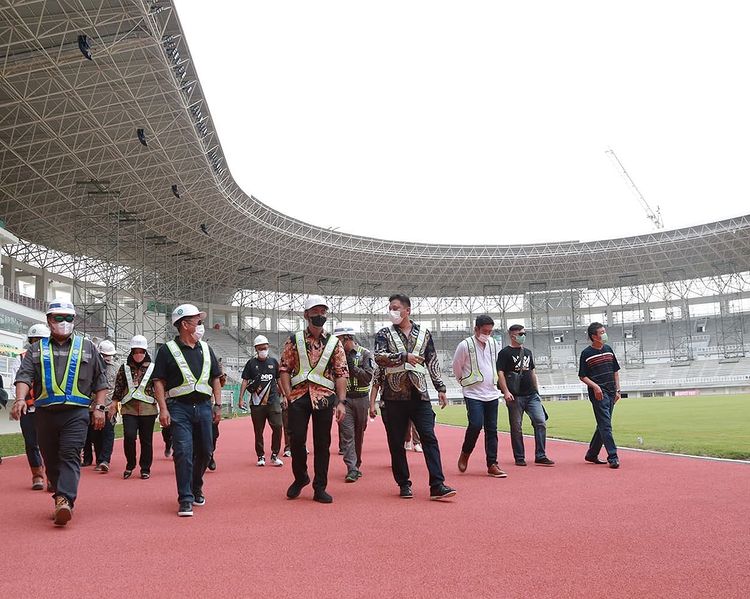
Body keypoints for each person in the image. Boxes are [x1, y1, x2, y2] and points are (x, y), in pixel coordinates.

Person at [11, 301, 109, 526]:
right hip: (44, 413)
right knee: (51, 458)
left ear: (74, 321)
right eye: (58, 318)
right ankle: (59, 492)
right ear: (49, 321)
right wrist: (19, 399)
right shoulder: (36, 350)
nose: (64, 323)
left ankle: (65, 499)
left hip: (76, 413)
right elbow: (24, 376)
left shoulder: (87, 347)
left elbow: (100, 381)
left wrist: (99, 408)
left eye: (68, 319)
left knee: (70, 454)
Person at [374, 293, 456, 501]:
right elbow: (379, 357)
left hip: (420, 395)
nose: (392, 311)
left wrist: (441, 387)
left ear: (407, 310)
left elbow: (433, 361)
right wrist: (403, 357)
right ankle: (404, 483)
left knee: (429, 437)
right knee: (396, 442)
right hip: (393, 397)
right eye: (390, 308)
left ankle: (437, 484)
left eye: (396, 307)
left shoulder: (424, 333)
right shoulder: (384, 334)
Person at [152, 304, 223, 517]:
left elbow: (215, 379)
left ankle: (195, 486)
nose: (201, 326)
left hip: (203, 407)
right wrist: (162, 409)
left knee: (205, 450)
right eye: (197, 321)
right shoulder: (167, 351)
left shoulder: (207, 349)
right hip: (178, 408)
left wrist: (217, 404)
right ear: (184, 324)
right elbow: (158, 382)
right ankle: (185, 498)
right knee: (183, 451)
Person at [278, 295, 348, 504]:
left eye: (323, 311)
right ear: (306, 314)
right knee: (296, 440)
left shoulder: (334, 342)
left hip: (325, 398)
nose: (320, 315)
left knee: (322, 443)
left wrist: (341, 402)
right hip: (299, 397)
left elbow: (341, 372)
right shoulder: (294, 340)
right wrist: (288, 394)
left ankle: (320, 487)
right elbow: (284, 368)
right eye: (315, 311)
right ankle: (301, 478)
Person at [453, 314, 506, 477]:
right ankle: (465, 453)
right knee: (475, 425)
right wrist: (464, 382)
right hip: (473, 393)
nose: (487, 334)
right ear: (476, 329)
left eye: (490, 331)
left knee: (492, 430)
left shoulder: (494, 344)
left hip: (491, 393)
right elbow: (457, 367)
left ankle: (492, 463)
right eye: (484, 331)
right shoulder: (464, 345)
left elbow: (497, 365)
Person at [497, 324, 555, 467]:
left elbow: (532, 372)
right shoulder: (504, 353)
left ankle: (540, 455)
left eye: (524, 333)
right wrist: (506, 392)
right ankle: (519, 456)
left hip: (531, 395)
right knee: (516, 427)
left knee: (540, 422)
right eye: (521, 334)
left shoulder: (528, 352)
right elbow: (500, 374)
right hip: (515, 396)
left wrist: (537, 391)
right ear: (512, 336)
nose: (523, 336)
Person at [110, 335, 157, 479]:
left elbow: (159, 387)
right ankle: (130, 464)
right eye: (135, 351)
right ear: (131, 352)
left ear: (145, 351)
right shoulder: (124, 368)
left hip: (148, 409)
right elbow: (118, 386)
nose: (138, 354)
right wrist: (113, 403)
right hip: (128, 408)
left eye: (141, 351)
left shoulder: (153, 368)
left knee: (146, 439)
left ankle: (145, 468)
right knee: (129, 437)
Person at [12, 323, 52, 491]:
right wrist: (19, 400)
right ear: (30, 340)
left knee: (49, 443)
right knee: (31, 443)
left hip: (48, 408)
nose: (38, 343)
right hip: (28, 408)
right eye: (35, 340)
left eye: (41, 340)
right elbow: (18, 380)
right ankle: (37, 475)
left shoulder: (52, 358)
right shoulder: (20, 358)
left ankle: (52, 476)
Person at [333, 326, 374, 483]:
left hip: (362, 399)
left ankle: (357, 463)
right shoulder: (336, 356)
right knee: (347, 434)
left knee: (359, 433)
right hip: (345, 400)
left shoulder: (364, 354)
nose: (337, 343)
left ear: (347, 338)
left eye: (339, 339)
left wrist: (352, 367)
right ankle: (352, 468)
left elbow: (368, 377)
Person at [579, 322, 621, 469]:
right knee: (606, 425)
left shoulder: (609, 349)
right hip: (599, 394)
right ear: (594, 337)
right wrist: (596, 387)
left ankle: (592, 453)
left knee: (603, 424)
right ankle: (613, 456)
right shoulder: (586, 353)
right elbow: (582, 376)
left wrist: (618, 390)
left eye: (604, 331)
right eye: (601, 332)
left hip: (611, 392)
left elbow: (615, 370)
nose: (604, 334)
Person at [239, 335, 284, 467]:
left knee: (278, 426)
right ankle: (261, 455)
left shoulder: (274, 362)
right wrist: (241, 398)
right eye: (260, 348)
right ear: (255, 349)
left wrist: (285, 396)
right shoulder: (251, 363)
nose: (263, 350)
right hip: (257, 403)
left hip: (273, 401)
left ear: (268, 347)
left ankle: (275, 455)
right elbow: (245, 380)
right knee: (258, 431)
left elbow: (278, 379)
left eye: (264, 347)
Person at [82, 339, 118, 472]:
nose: (107, 358)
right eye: (104, 355)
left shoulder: (117, 368)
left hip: (109, 407)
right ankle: (96, 459)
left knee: (108, 433)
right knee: (94, 434)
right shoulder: (90, 368)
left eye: (109, 355)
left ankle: (105, 460)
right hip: (92, 407)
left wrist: (115, 404)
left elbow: (119, 387)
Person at [207, 358, 228, 471]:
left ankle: (210, 455)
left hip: (209, 405)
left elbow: (221, 384)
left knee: (214, 434)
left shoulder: (212, 368)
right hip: (194, 405)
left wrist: (221, 373)